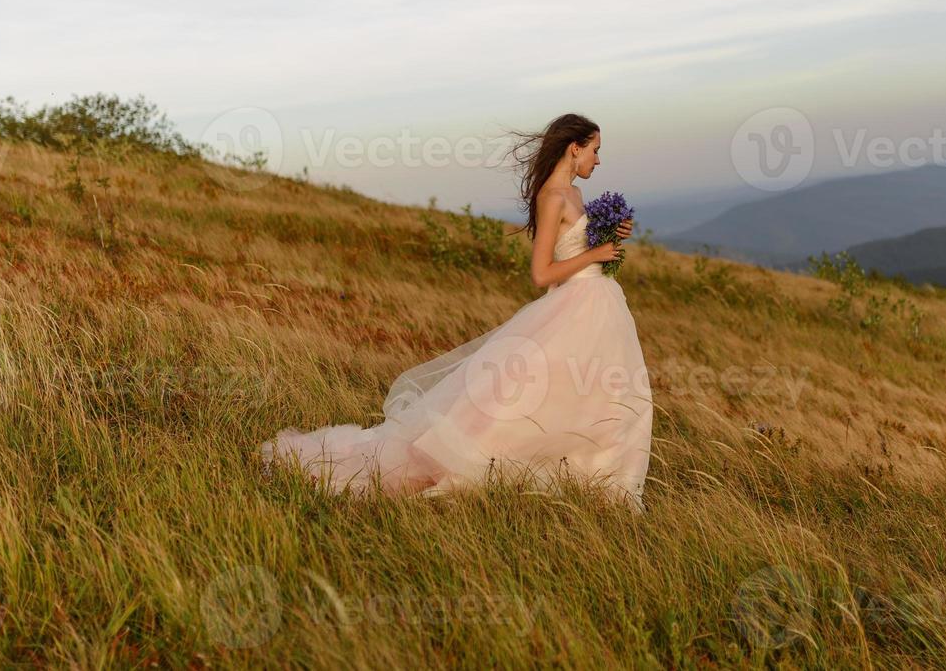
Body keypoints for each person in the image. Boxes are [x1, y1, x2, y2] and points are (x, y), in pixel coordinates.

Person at [258, 113, 654, 512]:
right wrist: (596, 254)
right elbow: (540, 273)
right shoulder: (552, 197)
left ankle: (599, 483)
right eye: (595, 150)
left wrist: (609, 239)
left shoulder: (575, 195)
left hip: (591, 306)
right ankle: (510, 468)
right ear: (575, 147)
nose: (598, 161)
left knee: (601, 396)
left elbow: (574, 261)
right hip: (578, 306)